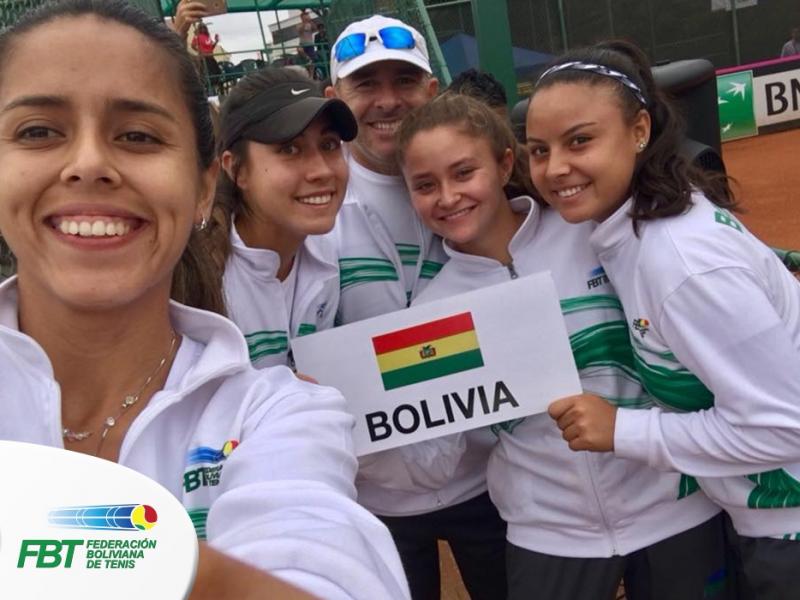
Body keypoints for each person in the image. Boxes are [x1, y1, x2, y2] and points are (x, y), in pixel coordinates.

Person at [0, 2, 410, 599]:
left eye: (138, 136)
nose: (89, 164)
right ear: (233, 172)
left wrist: (48, 540)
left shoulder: (284, 413)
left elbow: (322, 559)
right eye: (38, 131)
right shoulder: (227, 275)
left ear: (201, 189)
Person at [396, 92, 729, 600]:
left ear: (506, 162)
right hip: (548, 535)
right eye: (425, 185)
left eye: (464, 173)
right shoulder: (431, 310)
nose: (447, 197)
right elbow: (440, 454)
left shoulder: (594, 233)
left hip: (676, 507)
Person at [526, 41, 800, 599]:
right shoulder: (644, 224)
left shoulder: (679, 262)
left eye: (580, 140)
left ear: (639, 130)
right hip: (763, 522)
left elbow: (786, 424)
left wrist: (623, 430)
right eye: (538, 149)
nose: (555, 168)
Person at [325, 16, 507, 600]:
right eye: (365, 85)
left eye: (403, 80)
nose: (385, 101)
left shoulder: (481, 182)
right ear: (336, 101)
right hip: (371, 492)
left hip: (492, 475)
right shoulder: (313, 200)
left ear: (432, 91)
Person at [214, 68, 356, 368]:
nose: (321, 171)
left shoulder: (326, 253)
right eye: (290, 149)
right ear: (236, 168)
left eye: (329, 145)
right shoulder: (198, 278)